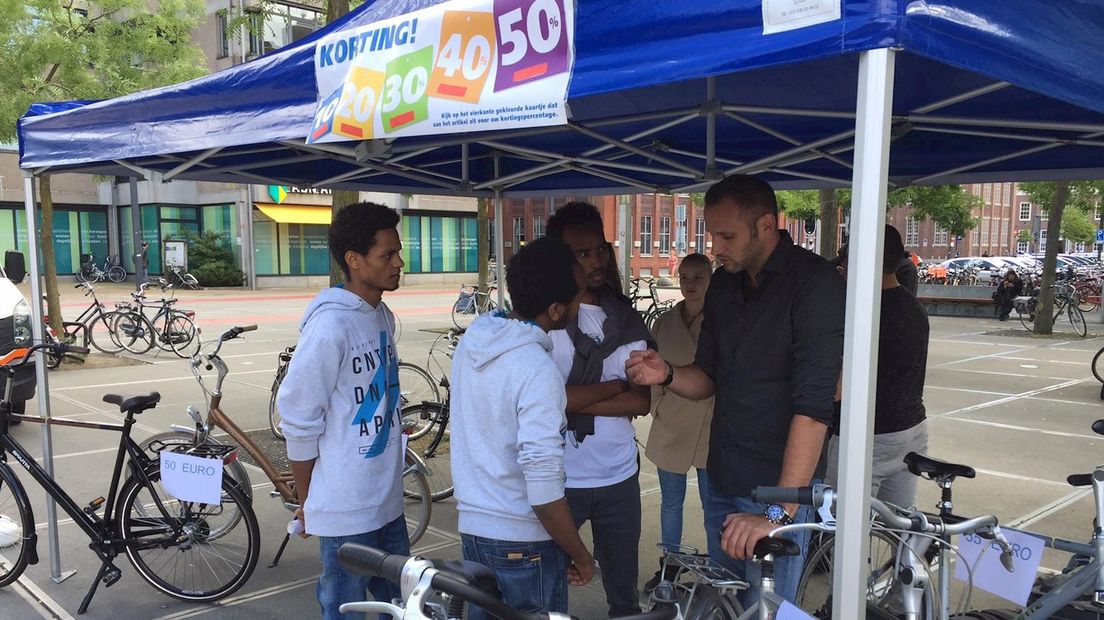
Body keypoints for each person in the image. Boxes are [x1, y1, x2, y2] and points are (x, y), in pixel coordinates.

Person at [626, 175, 845, 606]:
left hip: (778, 487)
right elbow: (708, 376)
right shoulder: (724, 284)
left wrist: (779, 514)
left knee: (768, 610)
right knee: (721, 605)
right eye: (713, 235)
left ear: (767, 225)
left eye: (727, 235)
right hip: (722, 476)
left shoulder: (815, 285)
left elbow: (815, 407)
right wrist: (665, 372)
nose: (716, 248)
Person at [451, 237, 595, 618]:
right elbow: (544, 491)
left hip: (475, 533)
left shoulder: (474, 341)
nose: (581, 305)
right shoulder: (537, 369)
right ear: (556, 309)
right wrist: (581, 556)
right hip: (523, 543)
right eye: (578, 297)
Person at [277, 202, 408, 620]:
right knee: (345, 610)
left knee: (399, 605)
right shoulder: (329, 326)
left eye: (397, 252)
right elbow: (298, 418)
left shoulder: (381, 315)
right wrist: (308, 498)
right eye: (387, 255)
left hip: (388, 501)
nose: (398, 263)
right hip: (344, 509)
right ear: (354, 260)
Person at [546, 202, 653, 618]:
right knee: (549, 589)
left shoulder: (625, 320)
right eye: (582, 253)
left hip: (618, 478)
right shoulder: (549, 321)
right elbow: (554, 399)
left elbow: (641, 401)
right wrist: (612, 388)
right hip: (560, 481)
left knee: (624, 595)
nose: (596, 261)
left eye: (600, 250)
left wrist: (574, 395)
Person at [827, 225, 929, 509]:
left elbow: (837, 388)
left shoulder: (861, 315)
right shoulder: (914, 309)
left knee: (839, 529)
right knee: (900, 527)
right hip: (911, 431)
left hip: (864, 435)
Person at [642, 252, 714, 590]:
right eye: (685, 277)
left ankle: (717, 572)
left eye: (698, 277)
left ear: (711, 279)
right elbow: (653, 366)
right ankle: (669, 567)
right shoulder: (665, 321)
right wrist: (657, 407)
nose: (690, 284)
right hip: (670, 422)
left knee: (715, 507)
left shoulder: (721, 320)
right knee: (671, 503)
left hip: (709, 425)